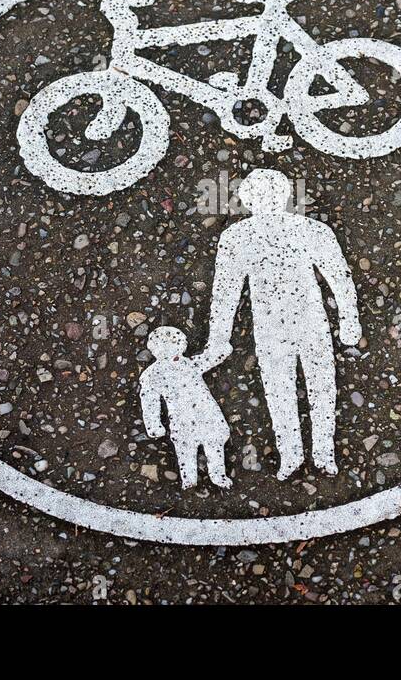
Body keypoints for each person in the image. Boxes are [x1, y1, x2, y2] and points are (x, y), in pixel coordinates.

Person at [198, 168, 360, 479]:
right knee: (280, 390)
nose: (266, 200)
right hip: (270, 326)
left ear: (284, 195)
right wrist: (218, 337)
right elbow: (226, 290)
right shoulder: (237, 237)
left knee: (320, 387)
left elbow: (339, 278)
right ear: (247, 200)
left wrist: (349, 319)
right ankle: (291, 454)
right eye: (258, 195)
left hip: (311, 320)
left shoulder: (311, 230)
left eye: (271, 194)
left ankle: (323, 451)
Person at [139, 326, 232, 489]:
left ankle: (218, 475)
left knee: (214, 443)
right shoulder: (152, 374)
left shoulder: (188, 364)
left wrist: (221, 351)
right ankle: (189, 480)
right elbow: (149, 400)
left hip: (206, 413)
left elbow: (207, 359)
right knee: (186, 448)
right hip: (182, 419)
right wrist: (153, 425)